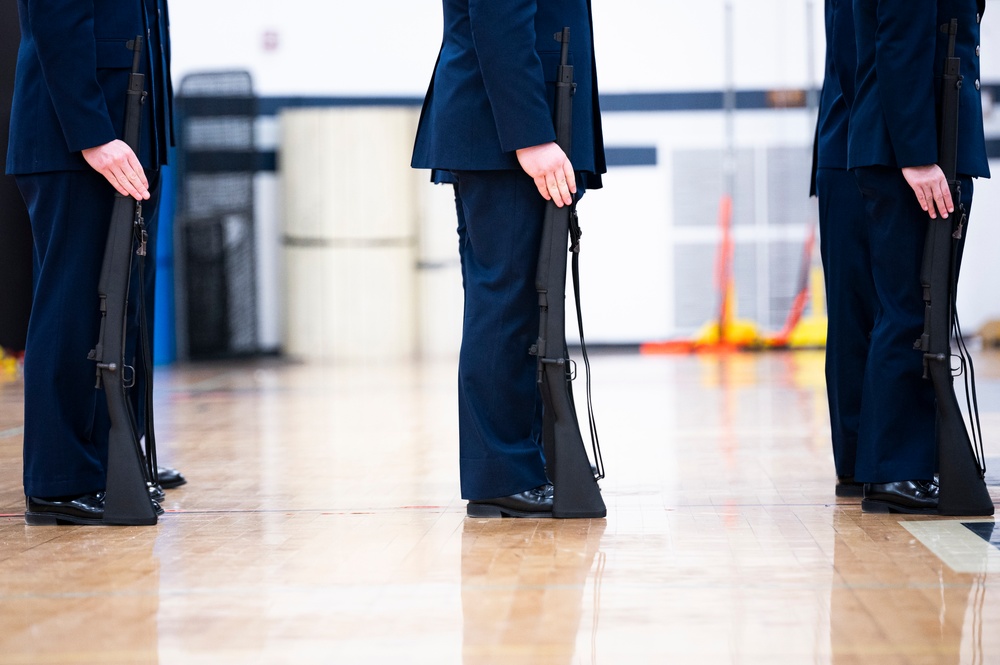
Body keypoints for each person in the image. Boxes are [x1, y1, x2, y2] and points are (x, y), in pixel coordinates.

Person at [412, 0, 606, 517]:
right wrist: (531, 136)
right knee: (506, 300)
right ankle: (502, 472)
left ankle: (517, 462)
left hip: (517, 122)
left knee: (522, 303)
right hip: (509, 131)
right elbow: (499, 17)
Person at [6, 0, 177, 525]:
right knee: (72, 306)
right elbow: (57, 21)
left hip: (129, 125)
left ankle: (110, 457)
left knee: (121, 308)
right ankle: (60, 479)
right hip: (79, 136)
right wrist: (93, 135)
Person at [848, 0, 989, 513]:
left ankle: (907, 462)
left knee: (921, 310)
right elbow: (900, 43)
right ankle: (895, 470)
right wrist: (917, 156)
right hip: (914, 150)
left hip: (932, 139)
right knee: (910, 309)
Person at [810, 0, 874, 498]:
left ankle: (871, 454)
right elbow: (857, 59)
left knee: (876, 312)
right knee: (855, 316)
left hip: (858, 148)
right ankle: (857, 458)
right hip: (854, 153)